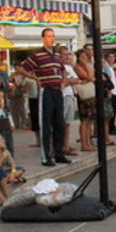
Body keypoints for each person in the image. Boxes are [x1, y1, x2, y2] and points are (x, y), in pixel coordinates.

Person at [18, 29, 71, 166]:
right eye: (48, 36)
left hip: (57, 91)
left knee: (59, 123)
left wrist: (63, 82)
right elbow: (22, 68)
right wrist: (34, 77)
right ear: (43, 38)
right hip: (46, 91)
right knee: (46, 124)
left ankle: (59, 154)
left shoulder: (58, 55)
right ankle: (46, 157)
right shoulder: (37, 55)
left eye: (53, 36)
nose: (51, 39)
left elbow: (63, 70)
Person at [74, 50, 97, 152]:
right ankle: (84, 143)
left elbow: (92, 76)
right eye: (82, 56)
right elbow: (89, 77)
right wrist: (86, 66)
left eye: (85, 56)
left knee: (90, 120)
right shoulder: (77, 67)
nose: (84, 58)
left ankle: (88, 142)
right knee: (84, 120)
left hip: (90, 95)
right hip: (84, 96)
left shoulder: (88, 66)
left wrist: (88, 66)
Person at [60, 49, 80, 155]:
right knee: (61, 123)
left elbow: (76, 80)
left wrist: (66, 81)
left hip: (70, 95)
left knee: (68, 123)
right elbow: (60, 82)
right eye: (64, 54)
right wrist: (67, 80)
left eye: (67, 54)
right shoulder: (58, 66)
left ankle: (66, 144)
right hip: (63, 96)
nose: (66, 57)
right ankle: (60, 146)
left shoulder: (68, 67)